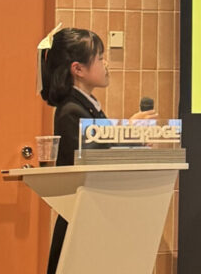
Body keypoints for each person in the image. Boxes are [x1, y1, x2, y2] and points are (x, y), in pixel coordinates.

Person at [37, 27, 157, 274]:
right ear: (78, 69)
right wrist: (127, 133)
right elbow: (90, 160)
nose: (106, 65)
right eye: (100, 58)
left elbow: (103, 149)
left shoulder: (87, 107)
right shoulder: (71, 110)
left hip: (94, 218)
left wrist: (134, 141)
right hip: (81, 220)